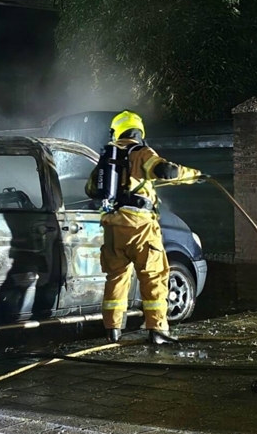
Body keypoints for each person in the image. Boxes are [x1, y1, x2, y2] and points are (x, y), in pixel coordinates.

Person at [85, 111, 203, 344]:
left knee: (117, 278)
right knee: (154, 276)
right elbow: (165, 171)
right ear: (139, 132)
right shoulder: (140, 153)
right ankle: (158, 330)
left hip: (112, 227)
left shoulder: (106, 158)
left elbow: (91, 189)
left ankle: (113, 330)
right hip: (140, 227)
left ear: (116, 131)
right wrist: (193, 175)